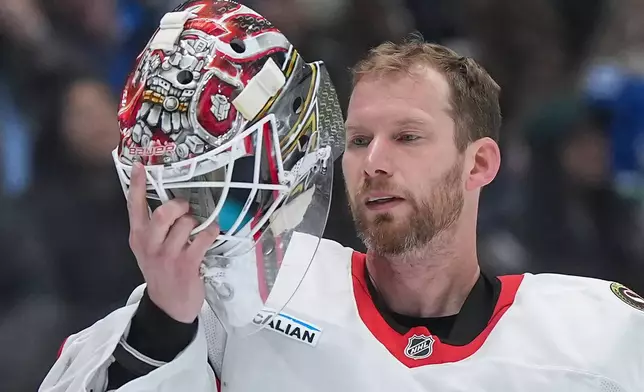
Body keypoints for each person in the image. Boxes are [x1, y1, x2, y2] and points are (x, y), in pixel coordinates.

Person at [41, 1, 644, 391]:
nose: (375, 163)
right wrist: (163, 327)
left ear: (479, 163)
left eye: (407, 137)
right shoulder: (238, 293)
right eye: (358, 140)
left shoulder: (598, 335)